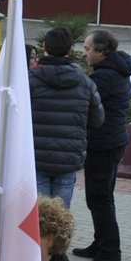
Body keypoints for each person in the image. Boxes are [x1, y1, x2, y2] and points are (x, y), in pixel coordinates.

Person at [73, 29, 131, 261]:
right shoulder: (113, 71)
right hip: (111, 141)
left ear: (102, 51)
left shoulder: (104, 78)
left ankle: (109, 252)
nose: (84, 53)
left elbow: (86, 105)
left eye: (88, 49)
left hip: (104, 143)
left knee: (100, 198)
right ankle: (100, 243)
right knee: (100, 196)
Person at [28, 27, 102, 209]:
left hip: (36, 157)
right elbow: (97, 119)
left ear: (44, 46)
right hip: (69, 158)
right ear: (71, 49)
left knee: (38, 218)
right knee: (60, 217)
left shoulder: (29, 80)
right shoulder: (86, 82)